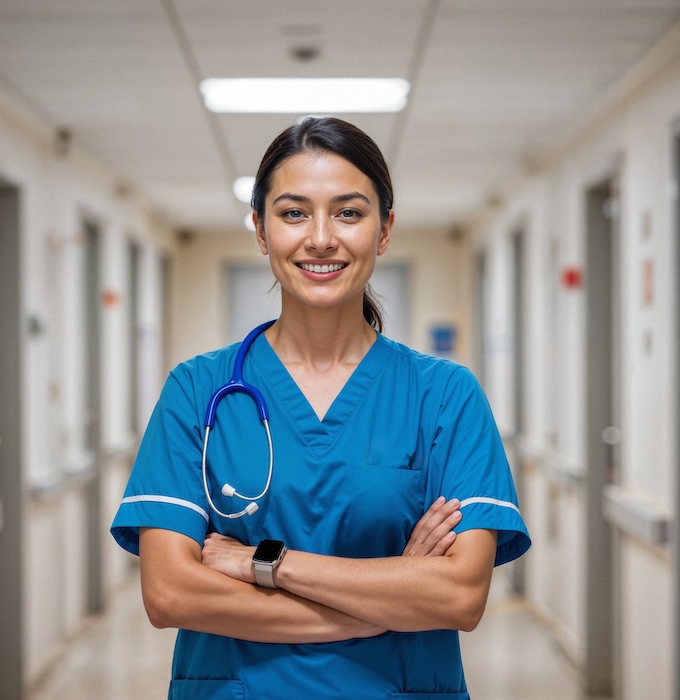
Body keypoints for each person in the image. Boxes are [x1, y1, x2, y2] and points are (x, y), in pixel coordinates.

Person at [111, 116, 530, 699]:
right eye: (293, 212)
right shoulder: (197, 390)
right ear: (260, 230)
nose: (321, 238)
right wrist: (383, 604)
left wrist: (265, 563)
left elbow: (458, 596)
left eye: (349, 213)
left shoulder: (445, 395)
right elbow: (170, 594)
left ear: (384, 231)